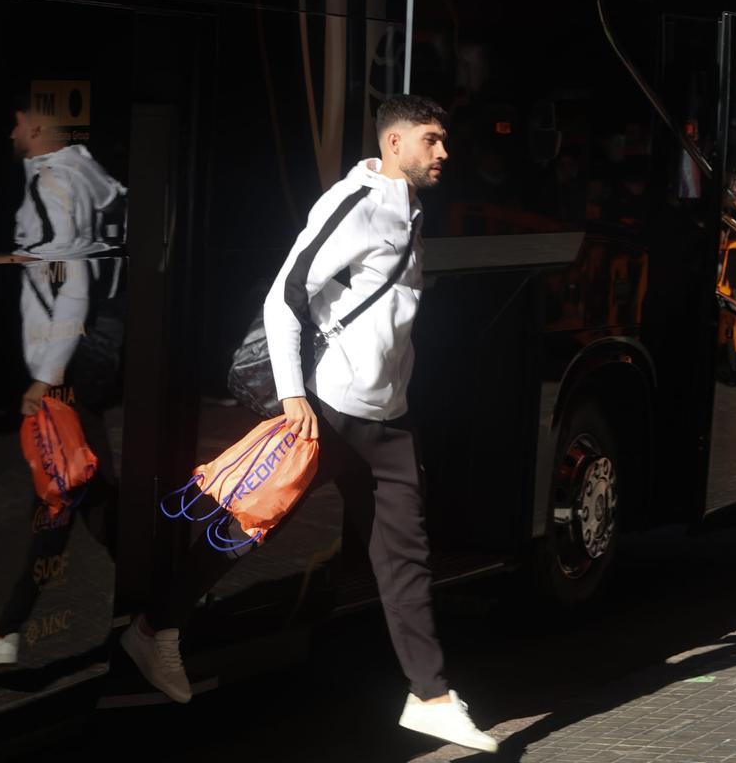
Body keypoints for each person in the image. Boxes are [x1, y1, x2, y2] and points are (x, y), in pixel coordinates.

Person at [117, 95, 499, 754]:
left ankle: (430, 696)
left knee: (405, 556)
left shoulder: (410, 205)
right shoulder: (355, 203)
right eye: (431, 139)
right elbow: (284, 296)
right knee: (252, 524)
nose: (444, 152)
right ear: (394, 143)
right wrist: (294, 394)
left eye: (443, 140)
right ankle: (155, 629)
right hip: (329, 412)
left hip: (388, 422)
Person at [0, 92, 127, 671]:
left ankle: (7, 630)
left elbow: (71, 281)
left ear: (35, 128)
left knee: (60, 485)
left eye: (16, 122)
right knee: (84, 486)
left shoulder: (51, 185)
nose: (10, 131)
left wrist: (46, 376)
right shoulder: (88, 175)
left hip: (71, 356)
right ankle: (163, 590)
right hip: (96, 347)